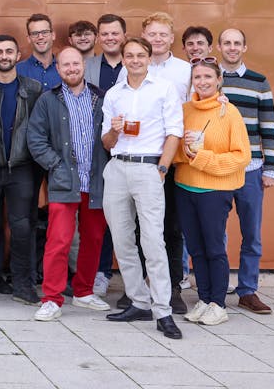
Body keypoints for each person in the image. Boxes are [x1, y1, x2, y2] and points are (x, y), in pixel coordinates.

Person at [101, 36, 183, 340]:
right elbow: (106, 142)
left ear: (149, 58)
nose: (134, 60)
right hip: (118, 166)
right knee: (122, 240)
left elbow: (175, 131)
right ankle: (138, 301)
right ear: (123, 59)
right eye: (129, 55)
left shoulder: (164, 89)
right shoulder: (113, 94)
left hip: (149, 167)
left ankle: (163, 310)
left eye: (140, 55)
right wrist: (114, 129)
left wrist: (161, 168)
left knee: (152, 241)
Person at [27, 47, 110, 321]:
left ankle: (84, 291)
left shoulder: (101, 98)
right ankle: (51, 298)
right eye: (66, 65)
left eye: (75, 63)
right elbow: (35, 138)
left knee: (94, 239)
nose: (71, 69)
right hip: (65, 180)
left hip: (96, 181)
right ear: (58, 68)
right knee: (59, 240)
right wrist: (56, 165)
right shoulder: (48, 100)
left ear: (83, 65)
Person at [175, 59, 250, 327]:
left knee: (214, 247)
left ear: (219, 80)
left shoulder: (229, 113)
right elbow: (174, 151)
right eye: (197, 77)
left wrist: (203, 157)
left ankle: (218, 303)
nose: (203, 82)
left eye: (208, 76)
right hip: (185, 187)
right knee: (195, 247)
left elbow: (242, 156)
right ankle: (204, 299)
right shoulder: (185, 110)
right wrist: (184, 151)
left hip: (214, 191)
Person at [0, 35, 44, 306]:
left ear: (18, 55)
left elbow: (40, 130)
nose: (4, 56)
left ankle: (23, 285)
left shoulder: (33, 88)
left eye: (9, 51)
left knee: (23, 227)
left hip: (21, 167)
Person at [217, 27, 274, 315]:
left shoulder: (258, 81)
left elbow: (268, 126)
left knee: (251, 232)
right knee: (215, 231)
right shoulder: (209, 78)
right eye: (226, 43)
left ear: (245, 47)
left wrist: (272, 168)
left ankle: (247, 290)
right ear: (218, 47)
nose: (232, 47)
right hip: (217, 168)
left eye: (237, 43)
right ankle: (216, 288)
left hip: (251, 167)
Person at [85, 13, 126, 297]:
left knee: (129, 218)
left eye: (115, 33)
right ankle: (100, 271)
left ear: (124, 35)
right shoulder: (88, 66)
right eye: (105, 34)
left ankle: (133, 278)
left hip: (131, 150)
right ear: (98, 37)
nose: (110, 38)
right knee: (100, 214)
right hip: (97, 151)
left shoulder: (136, 65)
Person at [17, 13, 61, 91]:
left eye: (45, 32)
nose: (40, 37)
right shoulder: (17, 70)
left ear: (53, 35)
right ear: (29, 38)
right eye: (35, 33)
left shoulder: (65, 68)